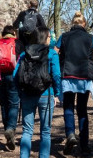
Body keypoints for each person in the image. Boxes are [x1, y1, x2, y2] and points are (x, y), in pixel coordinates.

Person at [56, 11, 93, 156]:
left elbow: (54, 52)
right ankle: (84, 145)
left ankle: (70, 134)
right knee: (82, 110)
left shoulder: (64, 37)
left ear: (73, 23)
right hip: (84, 77)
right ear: (84, 24)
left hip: (68, 76)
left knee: (68, 107)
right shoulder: (90, 38)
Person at [14, 26, 61, 158]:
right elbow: (56, 75)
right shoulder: (52, 54)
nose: (51, 39)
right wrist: (57, 93)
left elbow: (15, 75)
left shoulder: (25, 53)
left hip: (27, 94)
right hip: (47, 94)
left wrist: (20, 92)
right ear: (46, 38)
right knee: (45, 131)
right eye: (50, 37)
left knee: (27, 131)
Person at [0, 25, 20, 150]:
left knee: (4, 104)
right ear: (14, 34)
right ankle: (10, 129)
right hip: (13, 75)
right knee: (14, 104)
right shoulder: (17, 43)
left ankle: (7, 131)